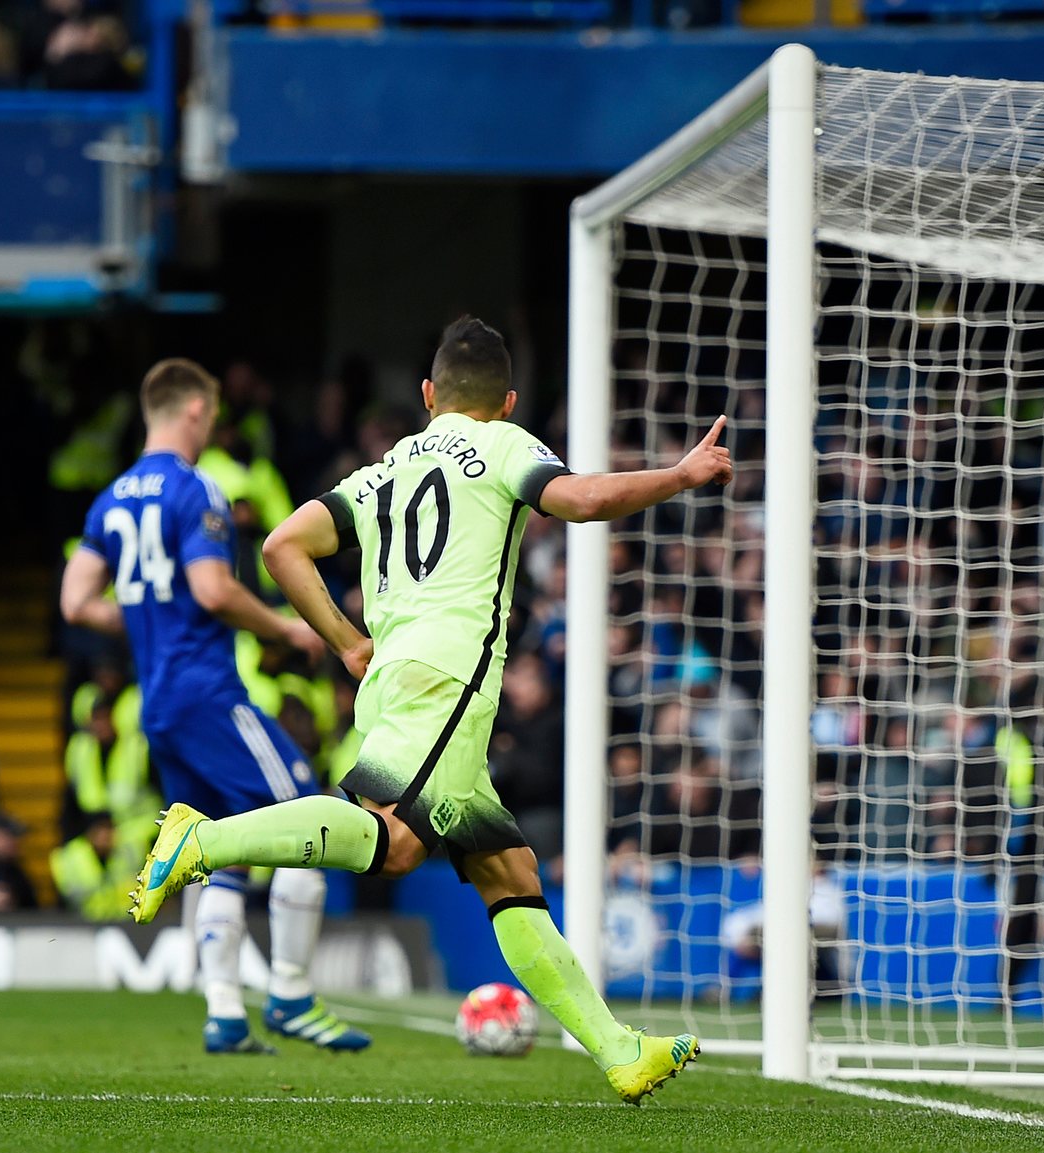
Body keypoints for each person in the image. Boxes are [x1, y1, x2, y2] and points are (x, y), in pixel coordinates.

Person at [130, 316, 733, 1104]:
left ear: (427, 395)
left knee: (508, 873)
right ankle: (202, 837)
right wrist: (681, 476)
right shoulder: (508, 444)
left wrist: (347, 641)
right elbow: (581, 500)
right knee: (394, 841)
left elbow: (282, 545)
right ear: (508, 400)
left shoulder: (386, 466)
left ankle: (620, 1050)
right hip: (450, 680)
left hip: (394, 681)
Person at [59, 359, 369, 1055]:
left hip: (159, 703)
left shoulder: (110, 499)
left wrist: (145, 616)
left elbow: (76, 602)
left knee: (217, 850)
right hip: (206, 691)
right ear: (196, 410)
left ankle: (225, 1010)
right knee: (306, 811)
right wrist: (285, 625)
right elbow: (210, 588)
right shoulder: (197, 488)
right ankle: (289, 992)